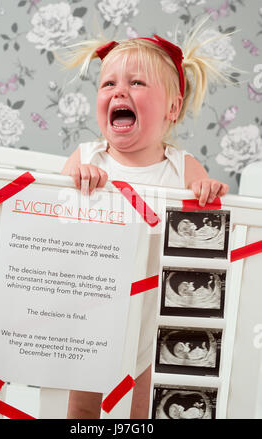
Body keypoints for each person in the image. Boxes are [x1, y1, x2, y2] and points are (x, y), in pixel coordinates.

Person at [59, 20, 230, 419]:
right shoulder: (87, 159)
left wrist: (207, 192)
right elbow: (55, 225)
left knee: (146, 402)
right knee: (83, 402)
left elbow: (206, 225)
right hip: (92, 306)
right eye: (108, 84)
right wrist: (77, 184)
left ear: (172, 108)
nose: (119, 90)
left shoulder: (183, 167)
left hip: (157, 316)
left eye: (137, 83)